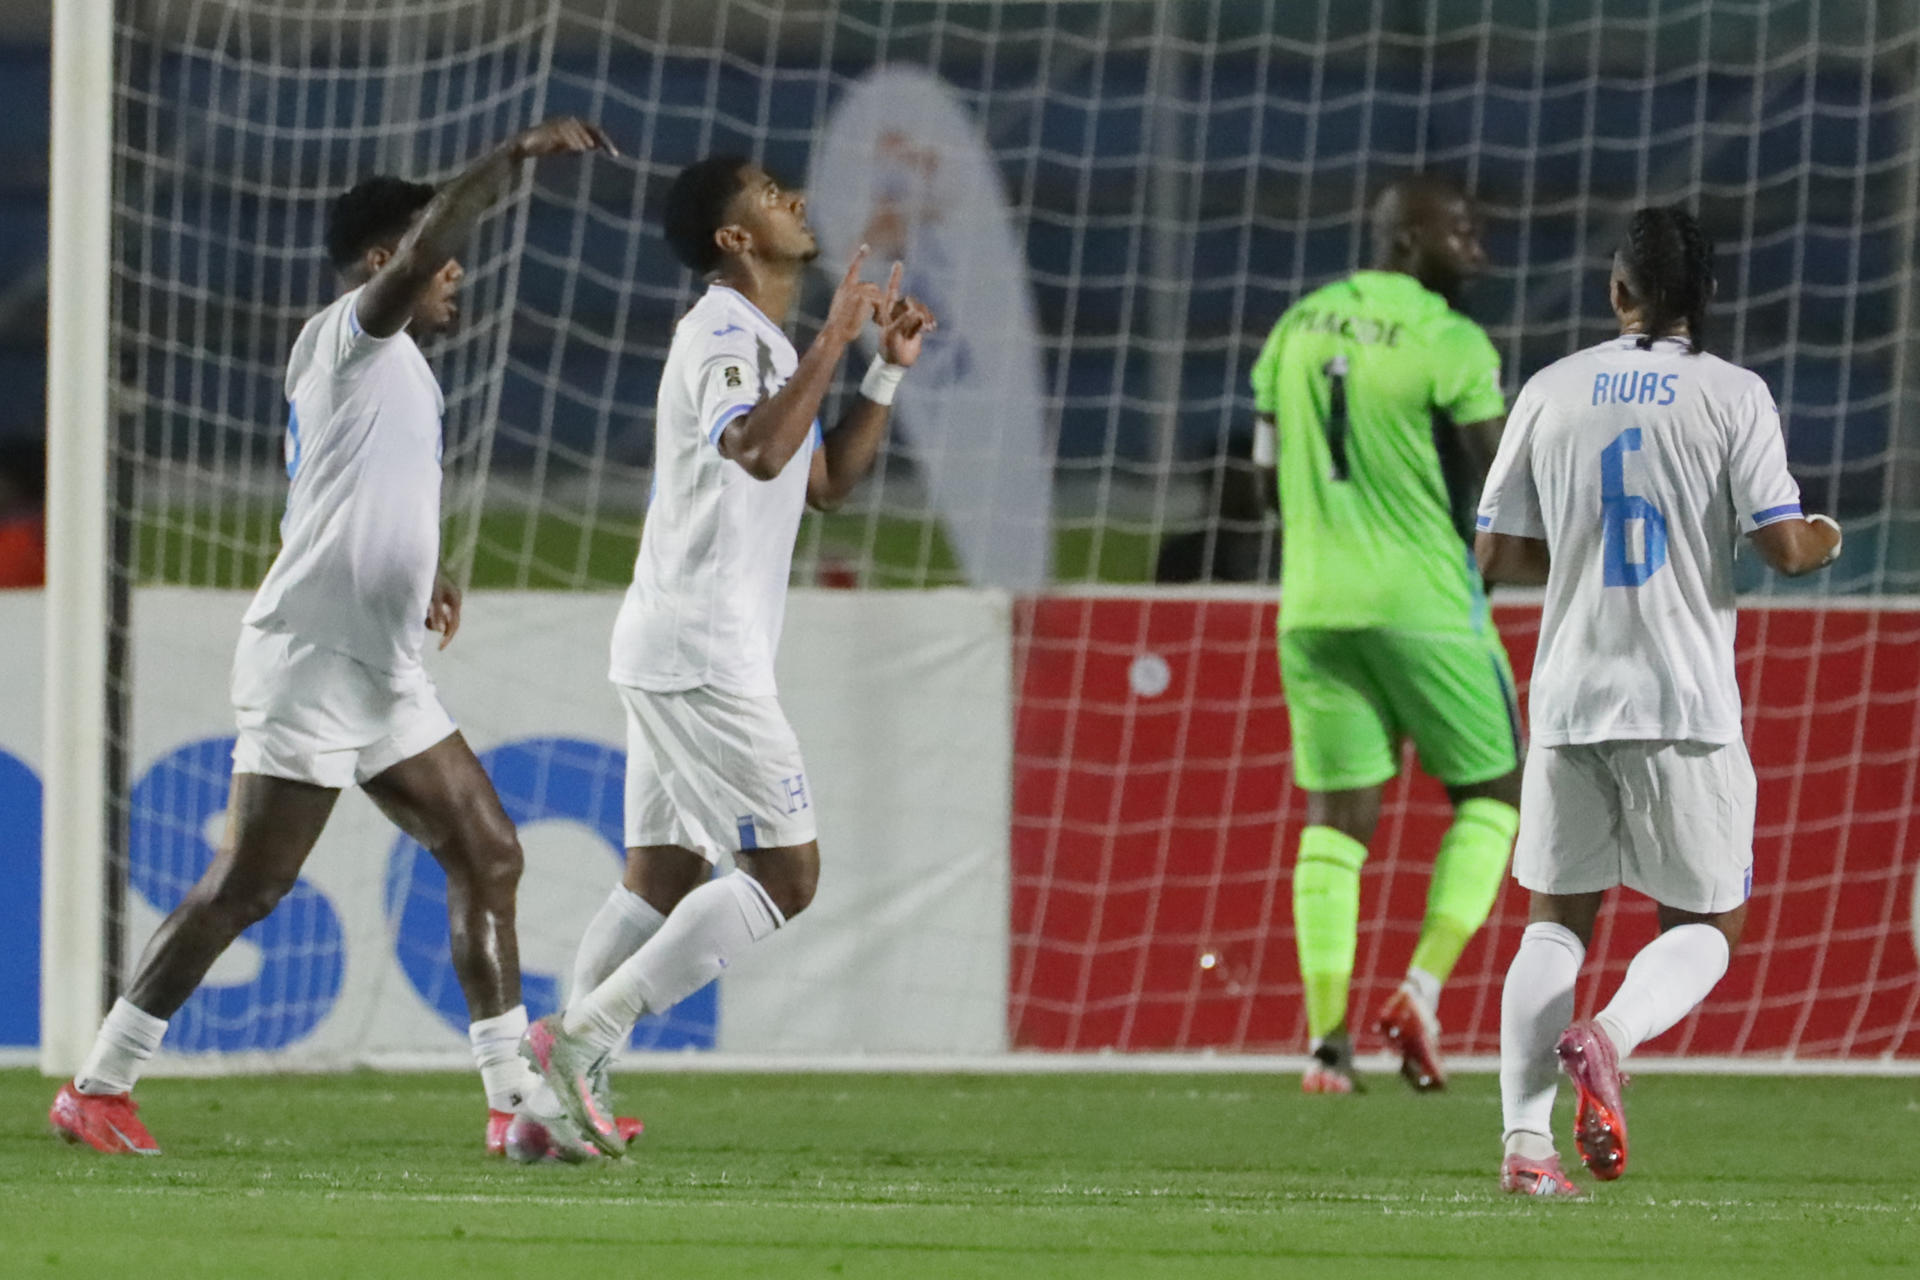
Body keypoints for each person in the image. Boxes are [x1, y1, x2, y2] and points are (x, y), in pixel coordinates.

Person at [49, 118, 637, 1159]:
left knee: (490, 852)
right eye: (435, 255)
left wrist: (426, 575)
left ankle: (512, 1102)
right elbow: (424, 248)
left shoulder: (400, 366)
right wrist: (508, 160)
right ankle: (101, 1080)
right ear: (387, 261)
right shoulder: (350, 334)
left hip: (382, 663)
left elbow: (364, 493)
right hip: (311, 657)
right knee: (249, 886)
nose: (457, 273)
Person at [513, 156, 934, 1156]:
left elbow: (821, 479)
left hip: (677, 641)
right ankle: (582, 1041)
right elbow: (753, 447)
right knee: (787, 875)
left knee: (661, 873)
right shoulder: (720, 334)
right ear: (733, 238)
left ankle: (550, 1102)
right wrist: (835, 335)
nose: (793, 197)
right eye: (766, 191)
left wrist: (878, 368)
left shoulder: (769, 342)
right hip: (703, 652)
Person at [1476, 206, 1840, 1196]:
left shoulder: (1550, 391)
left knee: (1557, 917)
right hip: (1683, 698)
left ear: (1616, 290)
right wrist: (1825, 531)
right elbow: (1784, 548)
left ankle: (1524, 1145)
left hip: (1569, 695)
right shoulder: (1732, 394)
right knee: (1707, 923)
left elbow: (1496, 557)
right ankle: (1613, 1033)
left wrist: (1585, 556)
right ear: (1705, 299)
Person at [1249, 173, 1524, 1094]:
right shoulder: (1450, 341)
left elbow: (1258, 481)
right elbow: (1503, 480)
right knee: (1497, 793)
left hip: (1313, 607)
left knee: (1337, 825)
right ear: (1408, 239)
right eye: (1462, 233)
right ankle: (1420, 989)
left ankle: (1328, 1047)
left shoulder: (1293, 327)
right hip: (1427, 604)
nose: (1477, 253)